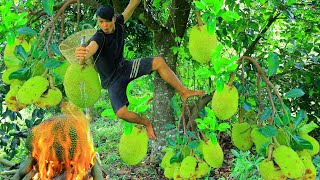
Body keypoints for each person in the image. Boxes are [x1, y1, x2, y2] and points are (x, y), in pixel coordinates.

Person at [75, 0, 204, 140]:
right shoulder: (98, 37)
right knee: (120, 113)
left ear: (113, 18)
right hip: (112, 81)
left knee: (159, 62)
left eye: (107, 21)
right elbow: (90, 49)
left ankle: (184, 91)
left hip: (125, 68)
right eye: (101, 22)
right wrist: (83, 54)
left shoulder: (118, 23)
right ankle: (146, 122)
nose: (104, 25)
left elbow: (131, 6)